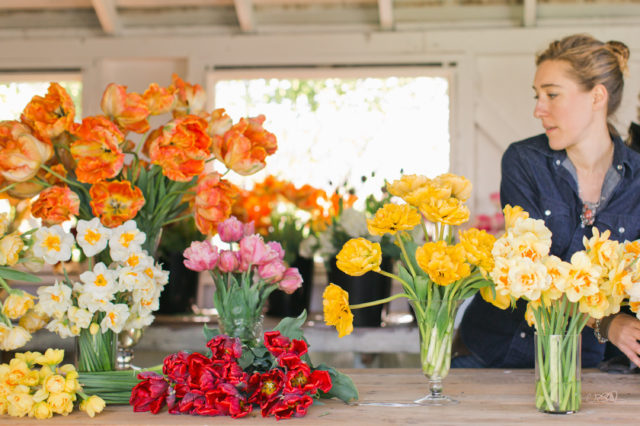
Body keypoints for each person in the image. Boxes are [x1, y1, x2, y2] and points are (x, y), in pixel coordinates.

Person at [453, 33, 640, 369]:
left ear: (597, 96)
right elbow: (532, 270)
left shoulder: (638, 179)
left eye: (552, 95)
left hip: (587, 367)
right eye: (538, 95)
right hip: (492, 355)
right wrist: (606, 323)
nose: (539, 109)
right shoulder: (524, 161)